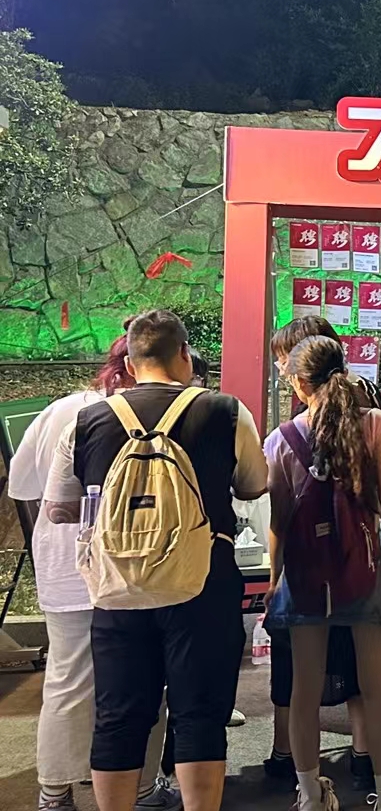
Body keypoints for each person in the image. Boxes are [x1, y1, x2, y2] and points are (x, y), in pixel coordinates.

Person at [42, 310, 267, 811]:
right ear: (184, 354)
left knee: (118, 718)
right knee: (200, 715)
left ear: (130, 361)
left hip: (118, 588)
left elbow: (57, 506)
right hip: (203, 584)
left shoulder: (87, 421)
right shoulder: (226, 411)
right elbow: (254, 484)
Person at [9, 335, 180, 811]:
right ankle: (141, 788)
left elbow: (23, 486)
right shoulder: (144, 415)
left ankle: (54, 792)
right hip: (127, 569)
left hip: (62, 567)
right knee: (142, 678)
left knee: (67, 679)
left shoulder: (59, 410)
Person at [264, 334, 381, 811]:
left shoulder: (281, 439)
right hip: (365, 570)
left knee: (304, 692)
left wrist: (273, 579)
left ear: (298, 383)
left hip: (306, 577)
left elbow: (279, 520)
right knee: (377, 692)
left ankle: (311, 795)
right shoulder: (376, 424)